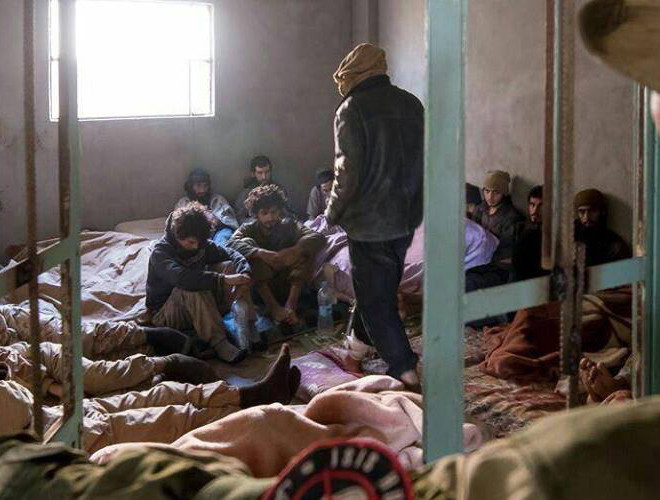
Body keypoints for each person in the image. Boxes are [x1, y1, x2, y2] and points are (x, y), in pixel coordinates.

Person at [326, 43, 424, 390]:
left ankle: (405, 369)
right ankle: (354, 353)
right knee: (377, 292)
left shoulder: (351, 109)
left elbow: (346, 172)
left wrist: (332, 212)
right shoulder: (411, 104)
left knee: (375, 299)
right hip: (405, 219)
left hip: (369, 224)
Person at [0, 344, 300, 454]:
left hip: (52, 415)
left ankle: (253, 395)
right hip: (52, 439)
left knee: (164, 393)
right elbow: (16, 411)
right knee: (174, 420)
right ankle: (265, 420)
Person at [145, 202, 258, 363]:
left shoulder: (201, 244)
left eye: (200, 242)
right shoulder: (160, 253)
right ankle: (219, 342)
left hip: (200, 305)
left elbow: (231, 254)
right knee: (192, 286)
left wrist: (244, 273)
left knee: (228, 266)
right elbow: (182, 278)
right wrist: (223, 280)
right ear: (178, 235)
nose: (196, 247)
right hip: (166, 314)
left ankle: (248, 324)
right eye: (191, 242)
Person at [227, 185, 326, 326]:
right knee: (248, 245)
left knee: (306, 247)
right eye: (264, 213)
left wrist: (295, 250)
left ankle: (290, 306)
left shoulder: (290, 225)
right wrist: (260, 253)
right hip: (263, 289)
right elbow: (230, 244)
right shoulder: (248, 228)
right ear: (256, 214)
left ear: (280, 211)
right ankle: (273, 308)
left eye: (274, 212)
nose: (270, 217)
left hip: (289, 283)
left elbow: (318, 237)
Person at [174, 168, 239, 247]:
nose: (202, 190)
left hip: (218, 232)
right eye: (198, 185)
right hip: (193, 233)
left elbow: (229, 222)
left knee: (224, 235)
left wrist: (212, 218)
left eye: (205, 186)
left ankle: (220, 251)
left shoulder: (218, 199)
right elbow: (177, 225)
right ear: (191, 186)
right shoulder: (183, 202)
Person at [472, 170, 525, 262]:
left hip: (494, 261)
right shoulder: (480, 209)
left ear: (504, 193)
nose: (490, 197)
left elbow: (506, 250)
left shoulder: (512, 217)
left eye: (496, 192)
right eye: (487, 191)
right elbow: (473, 235)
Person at [573, 189, 631, 266]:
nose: (586, 217)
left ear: (602, 212)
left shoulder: (613, 243)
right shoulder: (570, 240)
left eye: (592, 211)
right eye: (582, 212)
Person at [234, 155, 293, 224]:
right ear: (253, 174)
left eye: (267, 172)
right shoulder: (245, 194)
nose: (264, 177)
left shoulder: (279, 190)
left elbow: (289, 214)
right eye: (260, 173)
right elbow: (239, 218)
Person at [511, 185, 546, 281]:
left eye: (541, 206)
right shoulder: (521, 227)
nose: (535, 211)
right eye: (532, 205)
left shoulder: (553, 232)